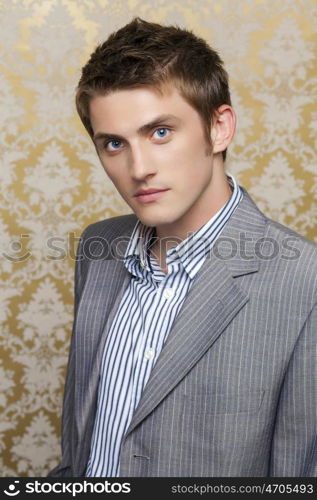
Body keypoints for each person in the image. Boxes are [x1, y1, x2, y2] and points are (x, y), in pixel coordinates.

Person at [49, 17, 317, 477]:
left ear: (219, 128)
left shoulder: (304, 281)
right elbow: (84, 450)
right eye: (114, 143)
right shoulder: (99, 247)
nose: (139, 168)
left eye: (160, 133)